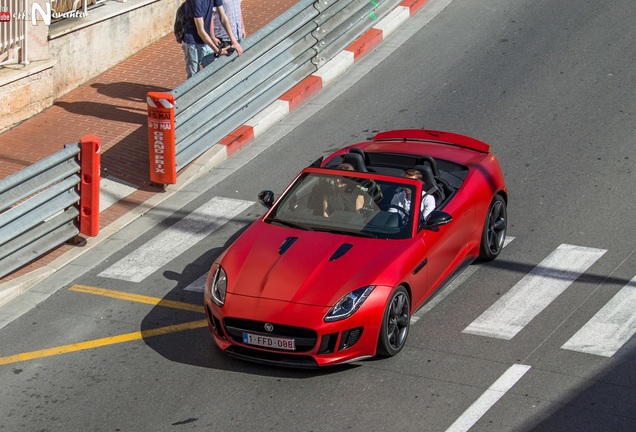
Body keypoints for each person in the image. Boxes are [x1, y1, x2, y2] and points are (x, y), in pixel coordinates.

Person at [181, 0, 243, 78]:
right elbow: (200, 31)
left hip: (207, 40)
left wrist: (234, 41)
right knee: (193, 77)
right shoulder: (196, 1)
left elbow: (223, 17)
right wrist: (218, 51)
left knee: (214, 74)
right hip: (193, 43)